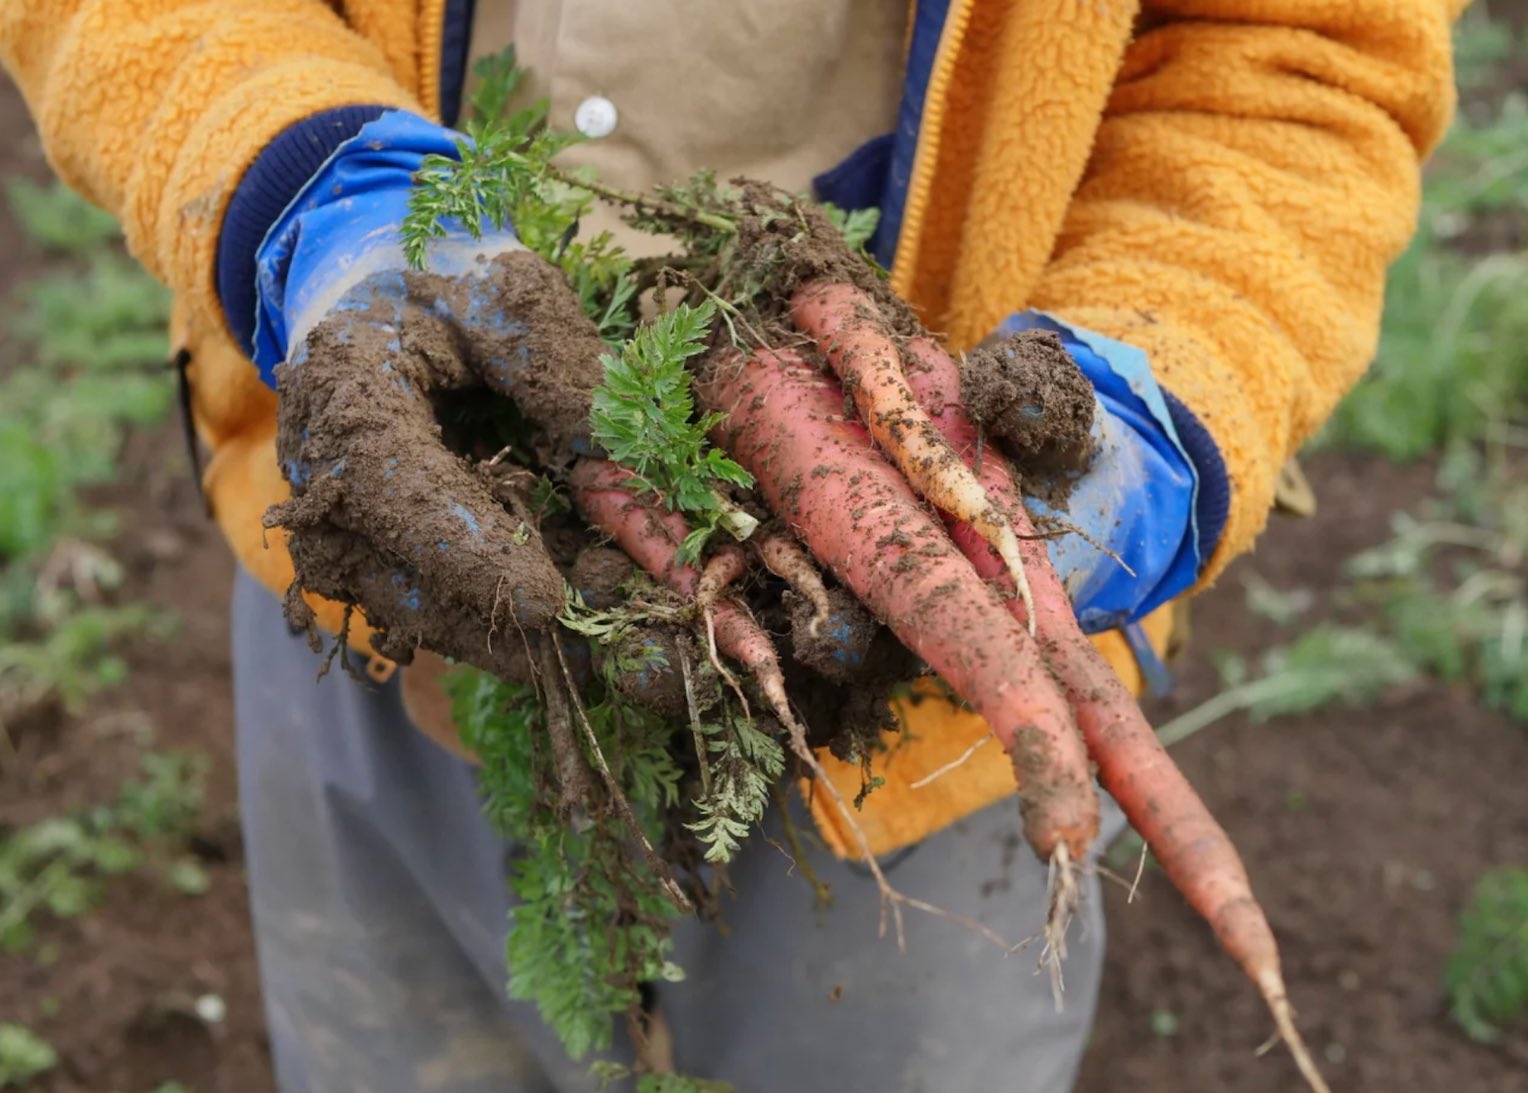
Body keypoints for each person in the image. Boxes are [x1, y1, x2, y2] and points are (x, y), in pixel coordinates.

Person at [1, 1, 1464, 1089]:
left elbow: (1307, 51)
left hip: (920, 710)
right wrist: (300, 179)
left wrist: (1159, 391)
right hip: (389, 551)